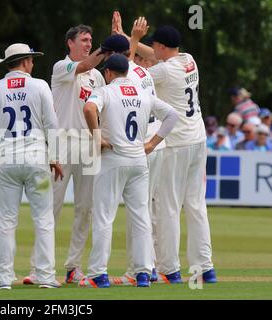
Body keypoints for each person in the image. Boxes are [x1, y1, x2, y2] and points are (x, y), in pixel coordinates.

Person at [113, 12, 217, 284]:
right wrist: (128, 37)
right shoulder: (188, 60)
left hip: (176, 144)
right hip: (198, 140)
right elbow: (155, 53)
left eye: (155, 46)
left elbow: (129, 74)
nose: (152, 51)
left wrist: (132, 41)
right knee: (195, 205)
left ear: (161, 47)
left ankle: (170, 269)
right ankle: (205, 267)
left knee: (168, 207)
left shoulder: (163, 70)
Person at [79, 54, 178, 288]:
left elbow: (89, 108)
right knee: (141, 216)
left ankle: (98, 274)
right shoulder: (143, 93)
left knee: (104, 216)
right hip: (138, 160)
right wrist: (152, 143)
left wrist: (97, 136)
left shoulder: (106, 91)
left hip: (114, 158)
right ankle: (143, 273)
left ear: (110, 73)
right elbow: (172, 116)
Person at [26, 24, 109, 285]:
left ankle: (73, 267)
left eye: (91, 40)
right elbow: (82, 66)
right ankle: (38, 268)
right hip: (60, 144)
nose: (87, 44)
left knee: (85, 209)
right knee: (50, 207)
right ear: (70, 43)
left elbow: (102, 109)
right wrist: (107, 47)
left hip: (87, 144)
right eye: (84, 40)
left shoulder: (97, 76)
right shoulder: (61, 68)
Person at [0, 43, 63, 290]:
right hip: (37, 159)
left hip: (6, 161)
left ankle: (4, 279)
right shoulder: (40, 86)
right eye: (31, 60)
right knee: (44, 219)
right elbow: (52, 123)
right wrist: (55, 156)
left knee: (6, 221)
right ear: (25, 61)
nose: (33, 64)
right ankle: (46, 277)